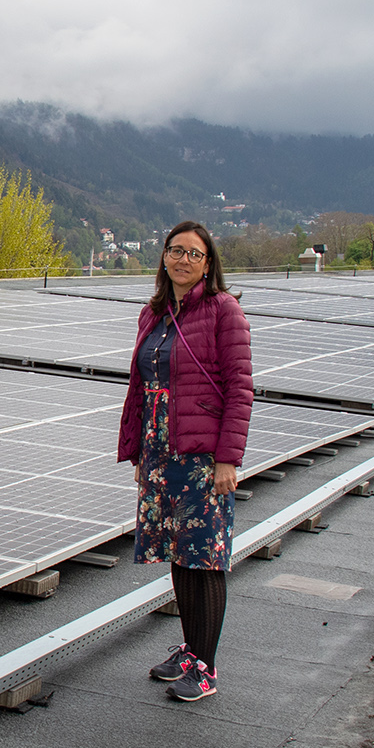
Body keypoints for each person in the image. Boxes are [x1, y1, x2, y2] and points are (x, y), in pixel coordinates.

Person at [118, 220, 253, 702]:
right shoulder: (152, 314)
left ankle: (206, 666)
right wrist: (137, 449)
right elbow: (139, 386)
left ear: (208, 263)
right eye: (175, 251)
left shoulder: (223, 311)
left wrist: (227, 459)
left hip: (201, 455)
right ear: (164, 257)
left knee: (205, 559)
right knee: (179, 553)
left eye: (194, 254)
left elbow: (240, 390)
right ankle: (192, 648)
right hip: (160, 452)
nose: (182, 260)